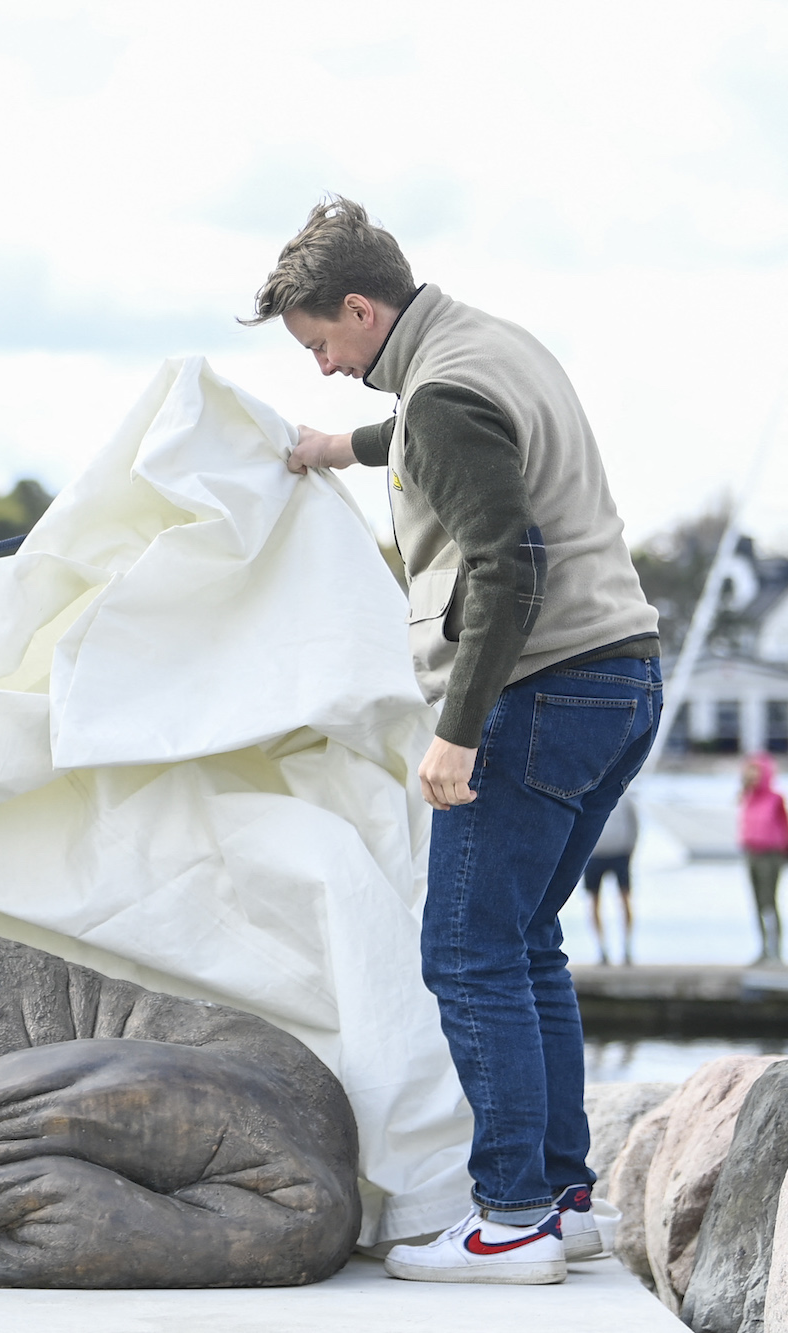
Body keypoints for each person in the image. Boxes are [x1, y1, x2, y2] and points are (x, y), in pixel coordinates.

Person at [255, 198, 662, 1284]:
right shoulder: (488, 344)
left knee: (465, 954)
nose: (325, 367)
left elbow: (505, 565)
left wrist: (457, 732)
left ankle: (511, 1218)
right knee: (525, 945)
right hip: (621, 677)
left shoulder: (441, 393)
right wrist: (337, 449)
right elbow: (439, 441)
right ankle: (565, 1200)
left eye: (321, 344)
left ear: (357, 306)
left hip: (535, 695)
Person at [738, 754, 786, 965]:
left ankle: (775, 952)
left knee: (769, 901)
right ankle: (763, 950)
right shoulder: (747, 796)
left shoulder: (776, 798)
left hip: (771, 855)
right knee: (757, 902)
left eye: (756, 770)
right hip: (752, 853)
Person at [581, 792, 637, 966]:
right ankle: (602, 949)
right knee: (593, 902)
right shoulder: (588, 794)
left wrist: (629, 851)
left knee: (625, 899)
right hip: (594, 855)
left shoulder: (625, 797)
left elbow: (634, 826)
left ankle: (626, 948)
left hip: (620, 853)